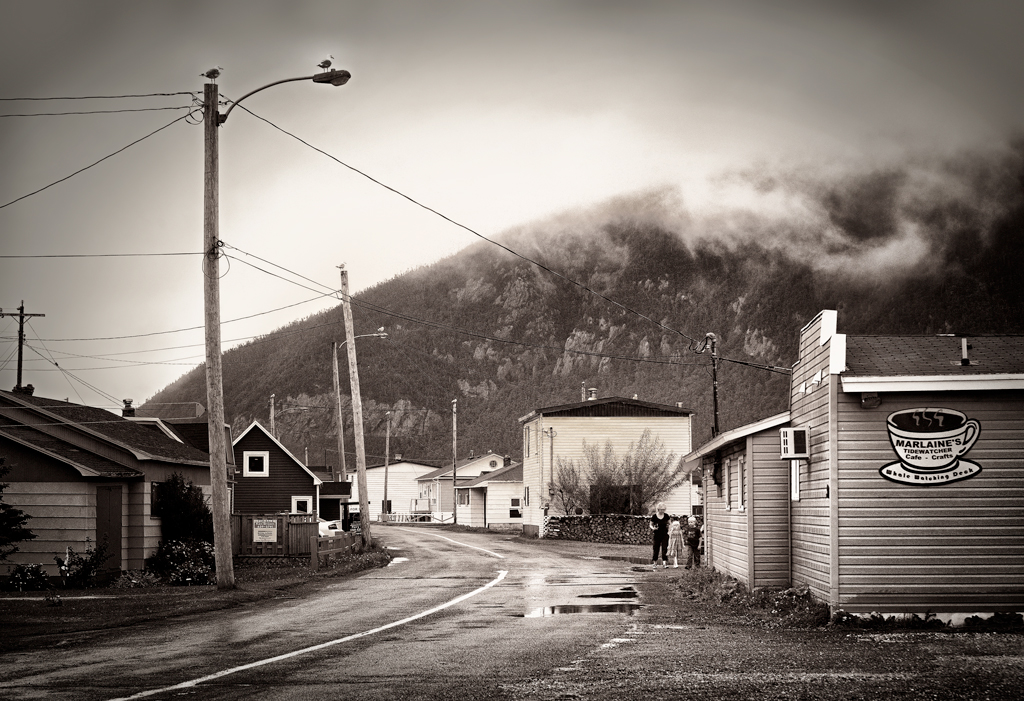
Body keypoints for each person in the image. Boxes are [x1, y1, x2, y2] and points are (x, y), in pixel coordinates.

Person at [649, 502, 670, 568]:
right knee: (656, 548)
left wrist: (669, 529)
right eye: (661, 509)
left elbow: (670, 524)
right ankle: (655, 562)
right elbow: (650, 524)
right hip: (657, 534)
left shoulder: (666, 516)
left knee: (665, 548)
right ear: (658, 509)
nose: (662, 511)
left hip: (665, 534)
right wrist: (653, 528)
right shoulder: (654, 516)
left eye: (663, 509)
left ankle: (664, 563)